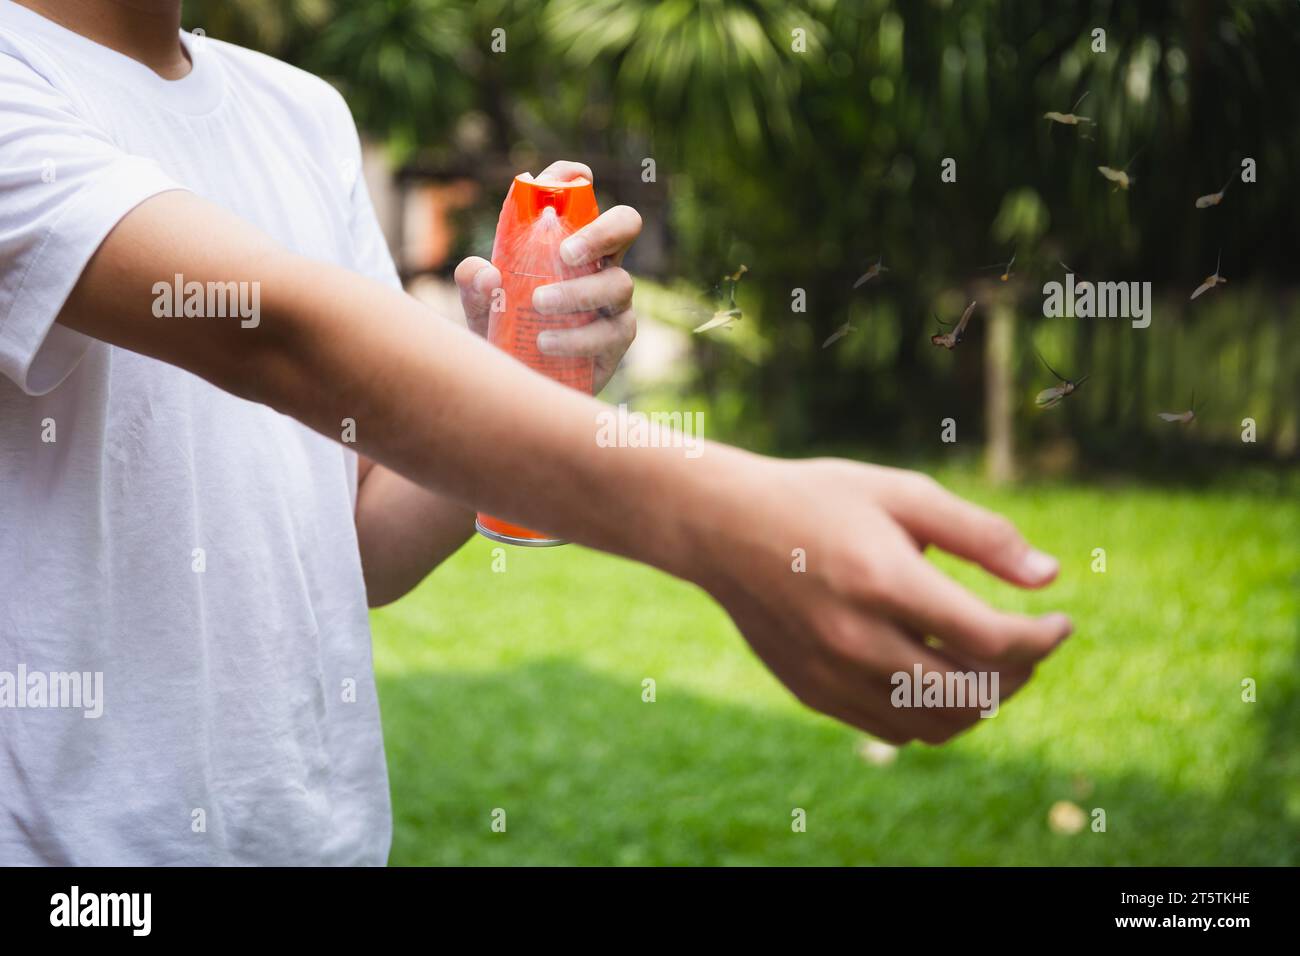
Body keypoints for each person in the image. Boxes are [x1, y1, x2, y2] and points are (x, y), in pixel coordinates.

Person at [0, 0, 1072, 865]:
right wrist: (729, 519)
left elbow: (356, 542)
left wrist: (524, 371)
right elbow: (277, 333)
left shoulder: (302, 111)